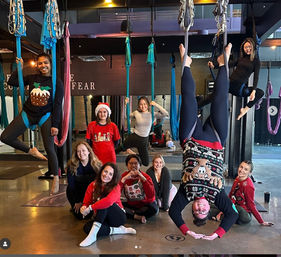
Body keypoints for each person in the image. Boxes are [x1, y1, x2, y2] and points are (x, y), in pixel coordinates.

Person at [169, 43, 238, 241]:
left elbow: (174, 213)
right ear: (209, 208)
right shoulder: (217, 197)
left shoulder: (186, 194)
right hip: (215, 139)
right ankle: (223, 62)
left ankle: (187, 63)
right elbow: (232, 214)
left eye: (197, 210)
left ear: (192, 208)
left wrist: (187, 231)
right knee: (220, 100)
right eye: (203, 210)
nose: (200, 207)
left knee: (189, 99)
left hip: (191, 137)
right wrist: (216, 234)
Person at [0, 54, 64, 195]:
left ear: (50, 64)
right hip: (28, 113)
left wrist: (55, 125)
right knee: (5, 137)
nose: (43, 66)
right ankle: (31, 150)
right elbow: (12, 82)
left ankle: (56, 178)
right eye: (40, 63)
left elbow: (58, 105)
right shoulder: (33, 78)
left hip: (45, 116)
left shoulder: (56, 82)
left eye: (45, 63)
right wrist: (19, 69)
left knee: (49, 148)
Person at [79, 162, 136, 247]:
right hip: (102, 218)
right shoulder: (92, 185)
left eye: (110, 174)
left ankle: (92, 236)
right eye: (105, 172)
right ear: (101, 171)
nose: (106, 175)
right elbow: (86, 202)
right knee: (87, 228)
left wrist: (90, 208)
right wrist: (83, 208)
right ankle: (119, 231)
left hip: (117, 218)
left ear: (113, 177)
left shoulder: (116, 187)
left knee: (103, 201)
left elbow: (108, 201)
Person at [206, 37, 264, 120]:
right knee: (210, 98)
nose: (248, 49)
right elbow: (229, 65)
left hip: (239, 88)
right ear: (243, 48)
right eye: (246, 47)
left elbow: (256, 77)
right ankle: (197, 106)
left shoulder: (256, 61)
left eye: (249, 47)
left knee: (260, 92)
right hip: (229, 84)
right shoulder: (241, 59)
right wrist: (214, 66)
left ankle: (245, 110)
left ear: (253, 47)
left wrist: (253, 91)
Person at [213, 160, 274, 227]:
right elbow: (231, 194)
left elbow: (251, 205)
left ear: (250, 173)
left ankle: (219, 215)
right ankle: (219, 214)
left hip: (244, 214)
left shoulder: (248, 186)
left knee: (234, 208)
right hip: (234, 207)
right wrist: (224, 206)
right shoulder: (237, 178)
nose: (242, 170)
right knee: (217, 203)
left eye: (246, 169)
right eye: (241, 167)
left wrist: (261, 221)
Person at [116, 97, 169, 166]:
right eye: (141, 104)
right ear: (138, 106)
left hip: (144, 141)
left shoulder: (152, 114)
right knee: (120, 149)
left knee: (145, 163)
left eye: (144, 104)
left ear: (148, 104)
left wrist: (155, 104)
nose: (143, 106)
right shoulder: (136, 113)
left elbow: (166, 114)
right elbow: (127, 116)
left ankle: (132, 153)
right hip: (134, 137)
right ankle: (109, 154)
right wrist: (126, 105)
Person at [66, 141, 102, 219]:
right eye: (78, 151)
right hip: (76, 193)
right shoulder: (71, 166)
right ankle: (74, 206)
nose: (81, 153)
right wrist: (77, 201)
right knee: (81, 216)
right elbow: (72, 185)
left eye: (83, 150)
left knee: (95, 214)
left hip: (92, 194)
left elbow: (100, 183)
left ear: (89, 151)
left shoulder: (97, 165)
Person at [120, 154, 158, 224]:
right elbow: (116, 193)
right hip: (131, 204)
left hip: (144, 205)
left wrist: (143, 178)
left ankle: (132, 214)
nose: (133, 165)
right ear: (127, 165)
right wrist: (124, 179)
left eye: (135, 163)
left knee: (154, 209)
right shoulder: (124, 176)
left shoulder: (146, 176)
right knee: (116, 206)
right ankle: (137, 216)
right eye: (130, 163)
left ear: (140, 165)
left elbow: (151, 195)